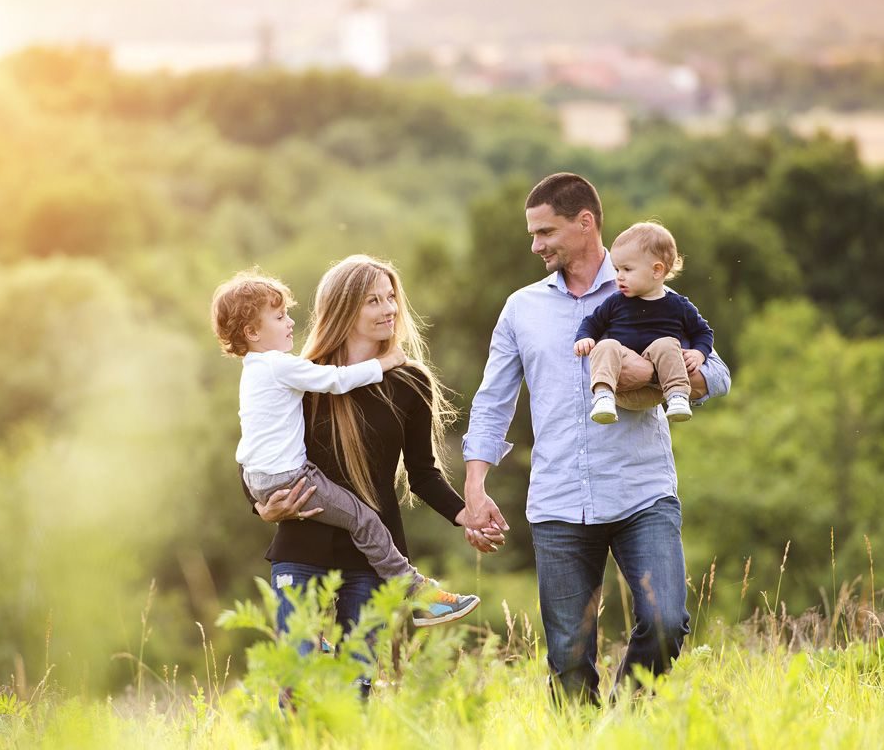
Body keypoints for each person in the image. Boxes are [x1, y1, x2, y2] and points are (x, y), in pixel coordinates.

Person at [460, 173, 731, 705]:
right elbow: (493, 400)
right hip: (558, 500)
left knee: (665, 622)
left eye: (545, 232)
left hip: (642, 491)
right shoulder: (522, 308)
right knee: (567, 656)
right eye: (532, 235)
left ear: (585, 223)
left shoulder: (653, 292)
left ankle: (622, 726)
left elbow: (717, 375)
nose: (536, 245)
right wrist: (475, 486)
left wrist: (655, 377)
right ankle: (584, 738)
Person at [245, 256, 501, 673]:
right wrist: (260, 506)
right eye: (372, 301)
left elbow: (422, 474)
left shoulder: (410, 381)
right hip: (301, 546)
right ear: (345, 308)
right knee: (297, 681)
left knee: (356, 682)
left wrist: (467, 515)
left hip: (371, 557)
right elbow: (259, 449)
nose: (389, 309)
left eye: (390, 298)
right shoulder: (304, 376)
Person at [573, 220, 715, 425]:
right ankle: (602, 396)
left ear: (657, 271)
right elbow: (592, 322)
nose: (618, 277)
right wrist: (584, 337)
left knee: (667, 343)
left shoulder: (678, 305)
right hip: (622, 387)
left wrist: (699, 353)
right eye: (616, 269)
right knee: (606, 345)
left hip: (659, 391)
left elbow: (703, 332)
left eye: (627, 270)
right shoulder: (616, 302)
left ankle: (678, 397)